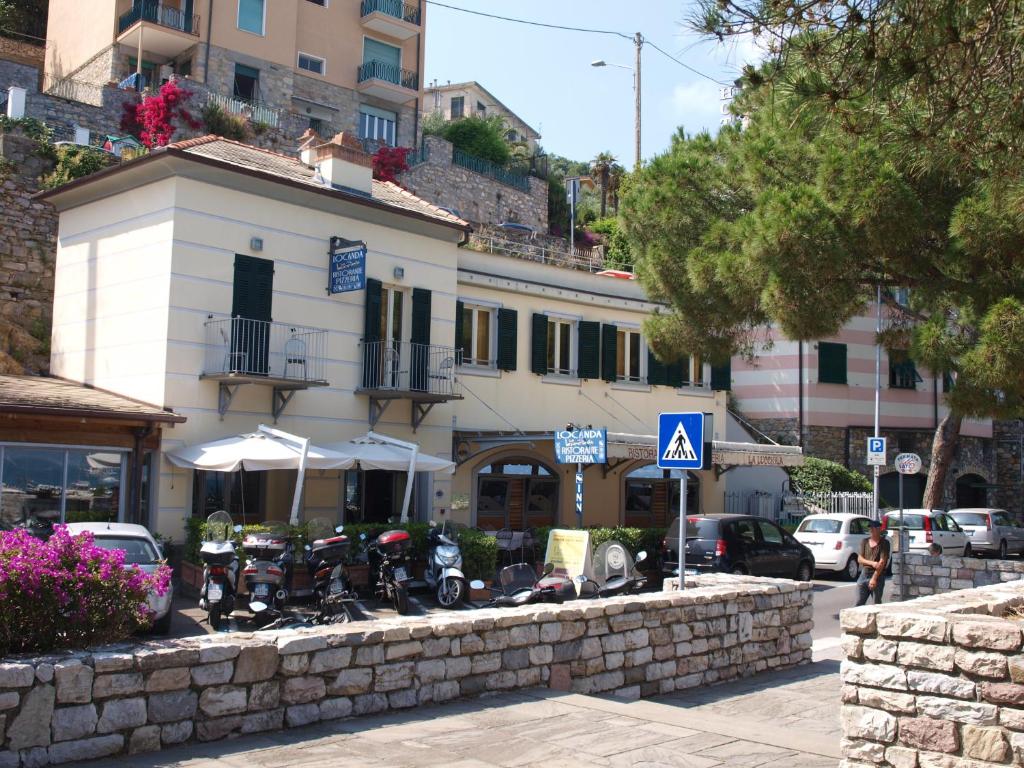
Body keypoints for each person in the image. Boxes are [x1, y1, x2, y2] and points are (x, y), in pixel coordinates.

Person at [856, 519, 890, 606]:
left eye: (873, 528)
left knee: (876, 603)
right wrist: (872, 563)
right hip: (864, 574)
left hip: (877, 575)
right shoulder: (865, 541)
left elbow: (882, 562)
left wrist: (874, 578)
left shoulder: (885, 543)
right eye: (870, 528)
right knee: (859, 602)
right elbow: (860, 559)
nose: (871, 530)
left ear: (879, 529)